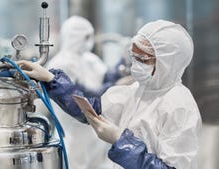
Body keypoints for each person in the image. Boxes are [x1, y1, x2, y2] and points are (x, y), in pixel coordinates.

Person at [18, 19, 202, 169]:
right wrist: (52, 79)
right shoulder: (138, 91)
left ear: (167, 62)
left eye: (143, 59)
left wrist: (120, 141)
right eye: (133, 57)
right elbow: (92, 109)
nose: (135, 64)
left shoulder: (179, 106)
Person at [42, 16, 117, 169]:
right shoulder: (60, 63)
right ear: (74, 37)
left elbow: (107, 78)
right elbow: (80, 97)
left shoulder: (90, 59)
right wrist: (116, 87)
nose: (90, 41)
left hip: (95, 134)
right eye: (86, 37)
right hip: (72, 134)